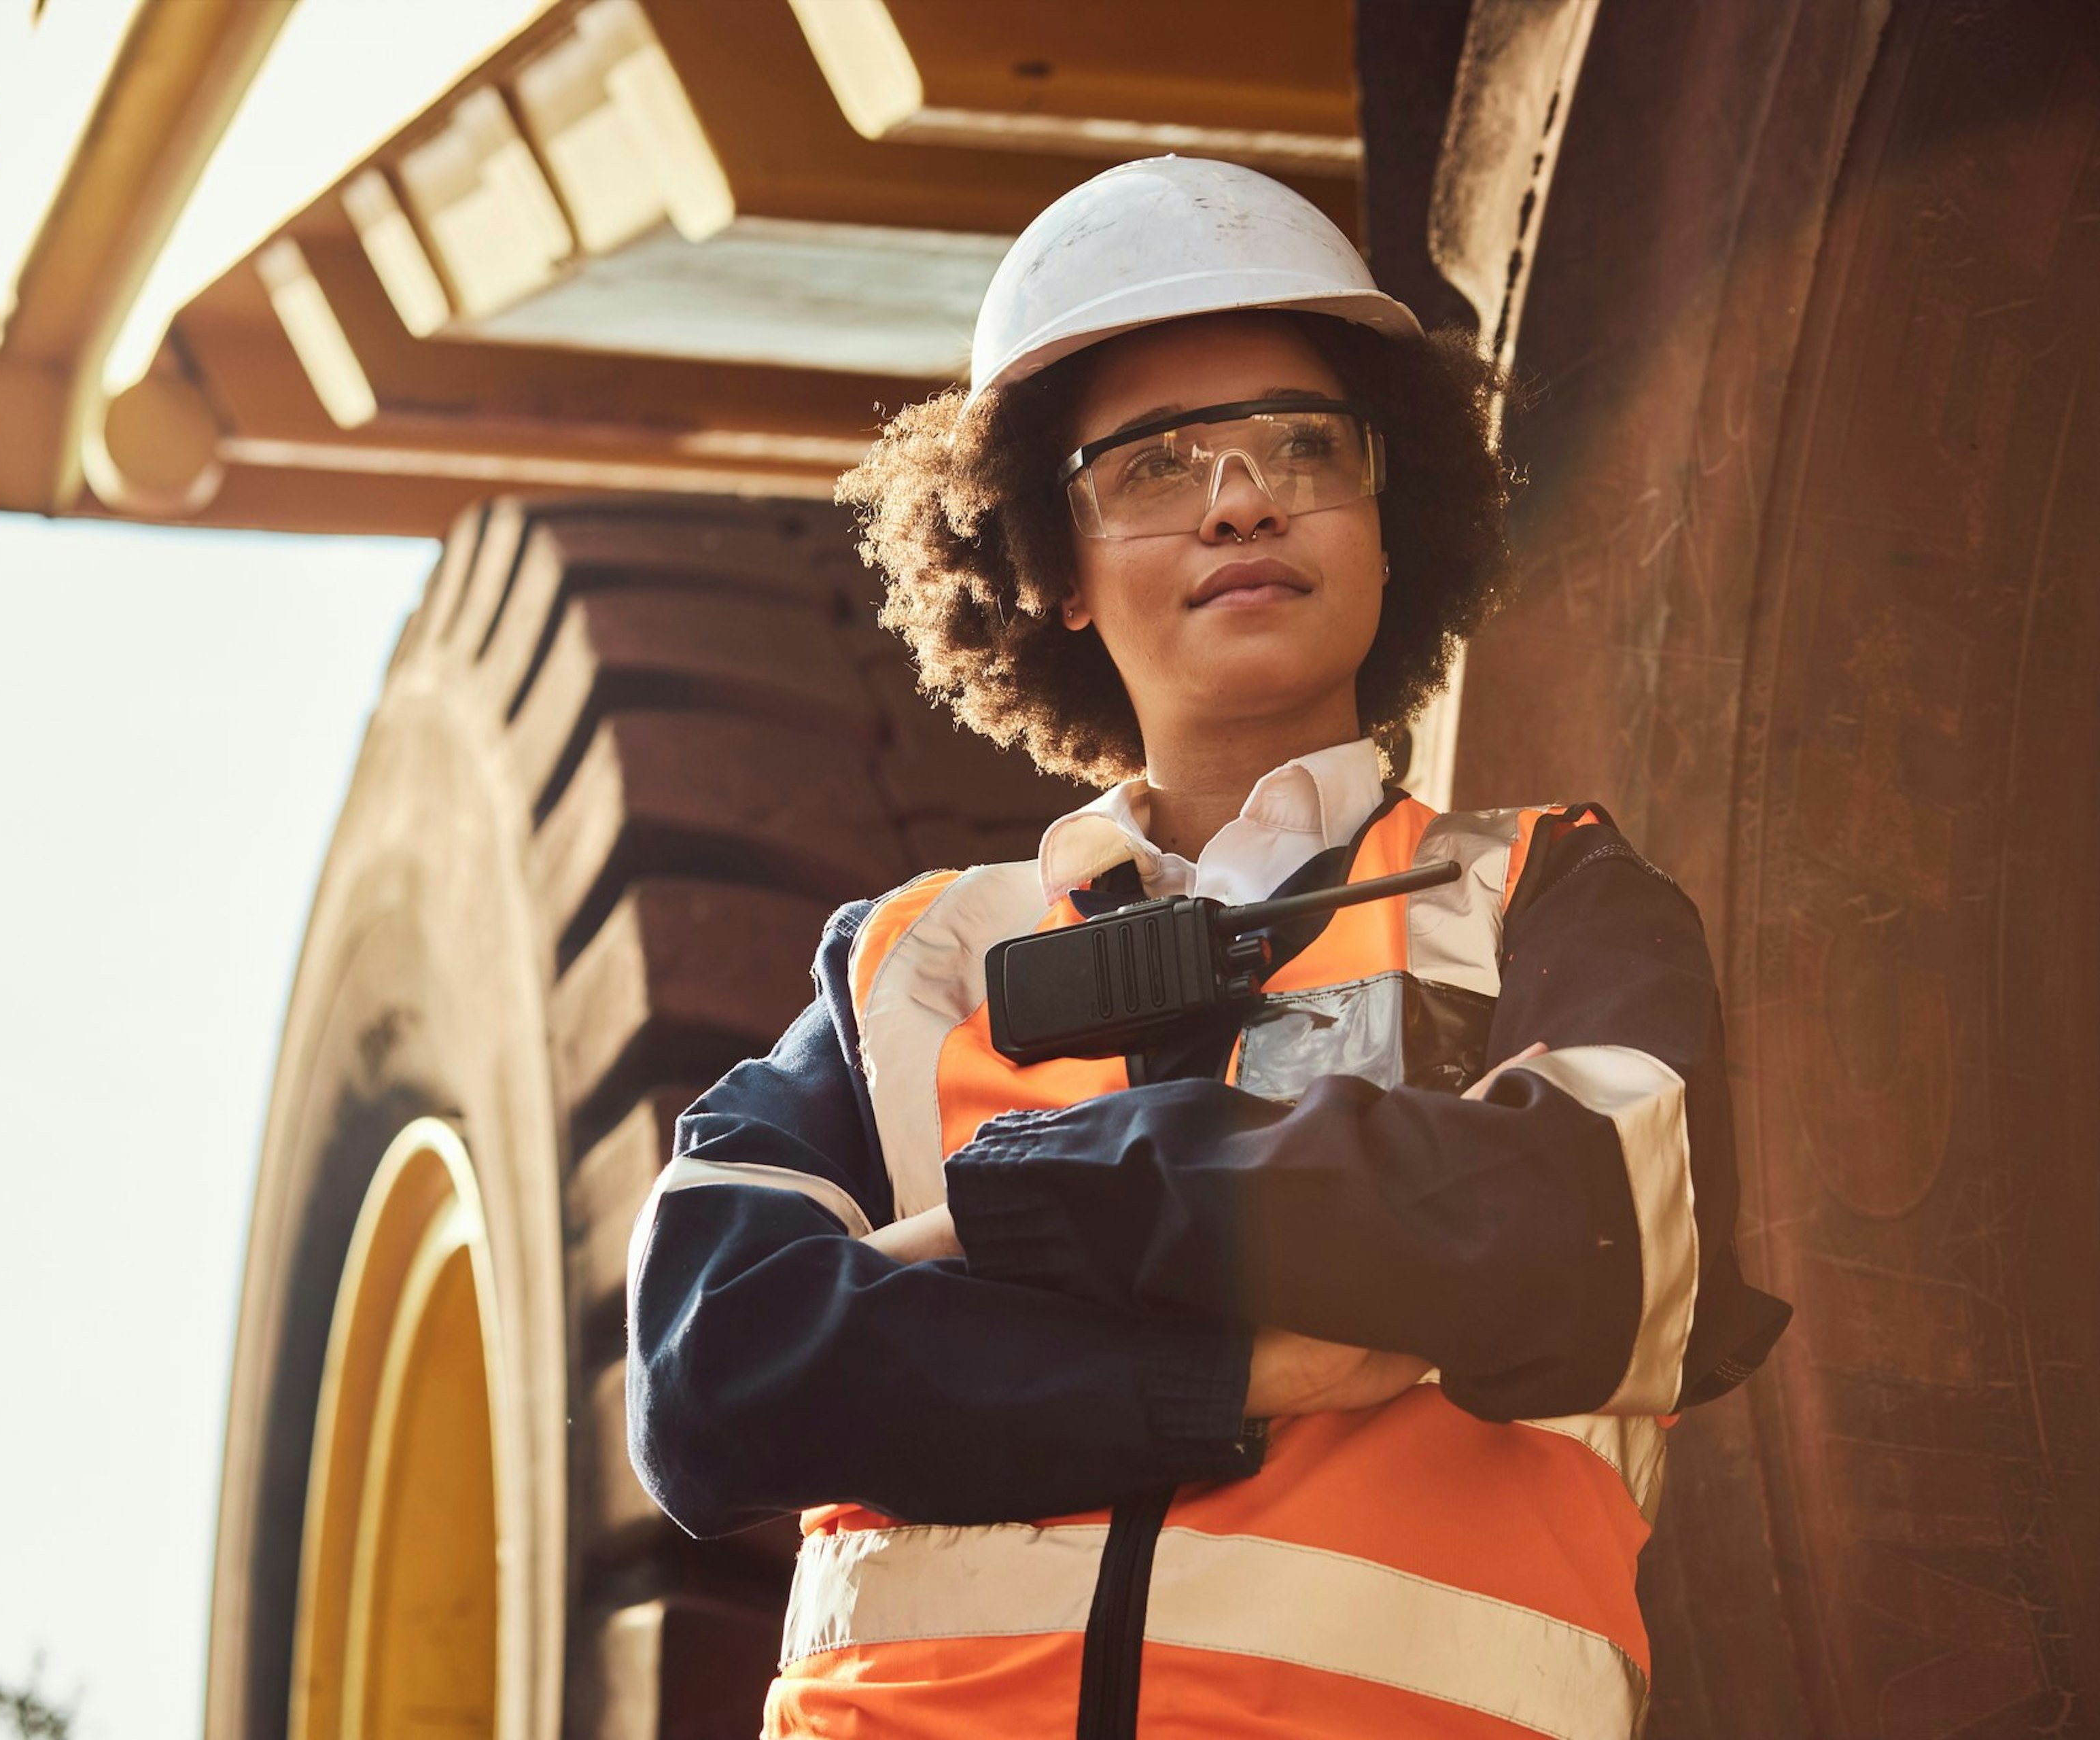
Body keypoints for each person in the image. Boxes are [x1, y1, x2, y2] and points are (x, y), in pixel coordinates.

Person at [625, 157, 1791, 1740]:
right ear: (1051, 563)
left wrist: (1034, 1202)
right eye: (1158, 465)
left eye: (1304, 445)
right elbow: (716, 1374)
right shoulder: (913, 960)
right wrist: (1228, 1370)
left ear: (1396, 522)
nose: (1241, 496)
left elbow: (1601, 1242)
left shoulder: (1545, 897)